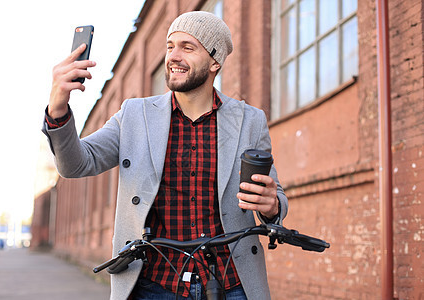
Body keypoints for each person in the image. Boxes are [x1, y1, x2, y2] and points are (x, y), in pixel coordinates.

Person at [43, 11, 288, 300]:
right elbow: (76, 164)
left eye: (188, 47)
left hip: (231, 283)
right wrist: (57, 109)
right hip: (153, 285)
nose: (173, 56)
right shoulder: (134, 115)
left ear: (215, 61)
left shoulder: (250, 120)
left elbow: (274, 198)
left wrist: (272, 206)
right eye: (170, 46)